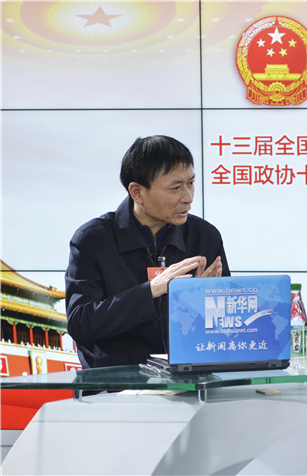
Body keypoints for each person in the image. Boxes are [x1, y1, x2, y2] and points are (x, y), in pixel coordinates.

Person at [65, 136, 230, 368]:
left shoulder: (204, 236)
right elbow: (82, 325)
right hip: (116, 383)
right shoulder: (93, 239)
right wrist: (151, 290)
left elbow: (227, 326)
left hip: (189, 378)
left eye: (191, 183)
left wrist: (202, 300)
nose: (188, 197)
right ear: (137, 192)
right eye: (175, 188)